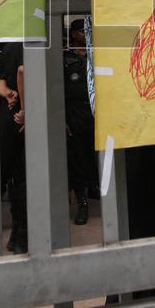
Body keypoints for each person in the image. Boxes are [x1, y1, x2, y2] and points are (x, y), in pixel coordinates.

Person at [64, 19, 97, 224]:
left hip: (94, 115)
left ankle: (94, 188)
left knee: (94, 157)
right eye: (83, 32)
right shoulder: (65, 59)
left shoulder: (95, 55)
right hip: (74, 117)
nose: (86, 35)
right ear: (75, 35)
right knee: (77, 161)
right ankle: (82, 201)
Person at [0, 43, 28, 253]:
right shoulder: (29, 41)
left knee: (15, 176)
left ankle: (17, 235)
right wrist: (26, 108)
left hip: (9, 117)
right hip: (24, 118)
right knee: (26, 175)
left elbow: (0, 81)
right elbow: (22, 71)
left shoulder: (8, 45)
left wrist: (7, 93)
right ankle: (24, 233)